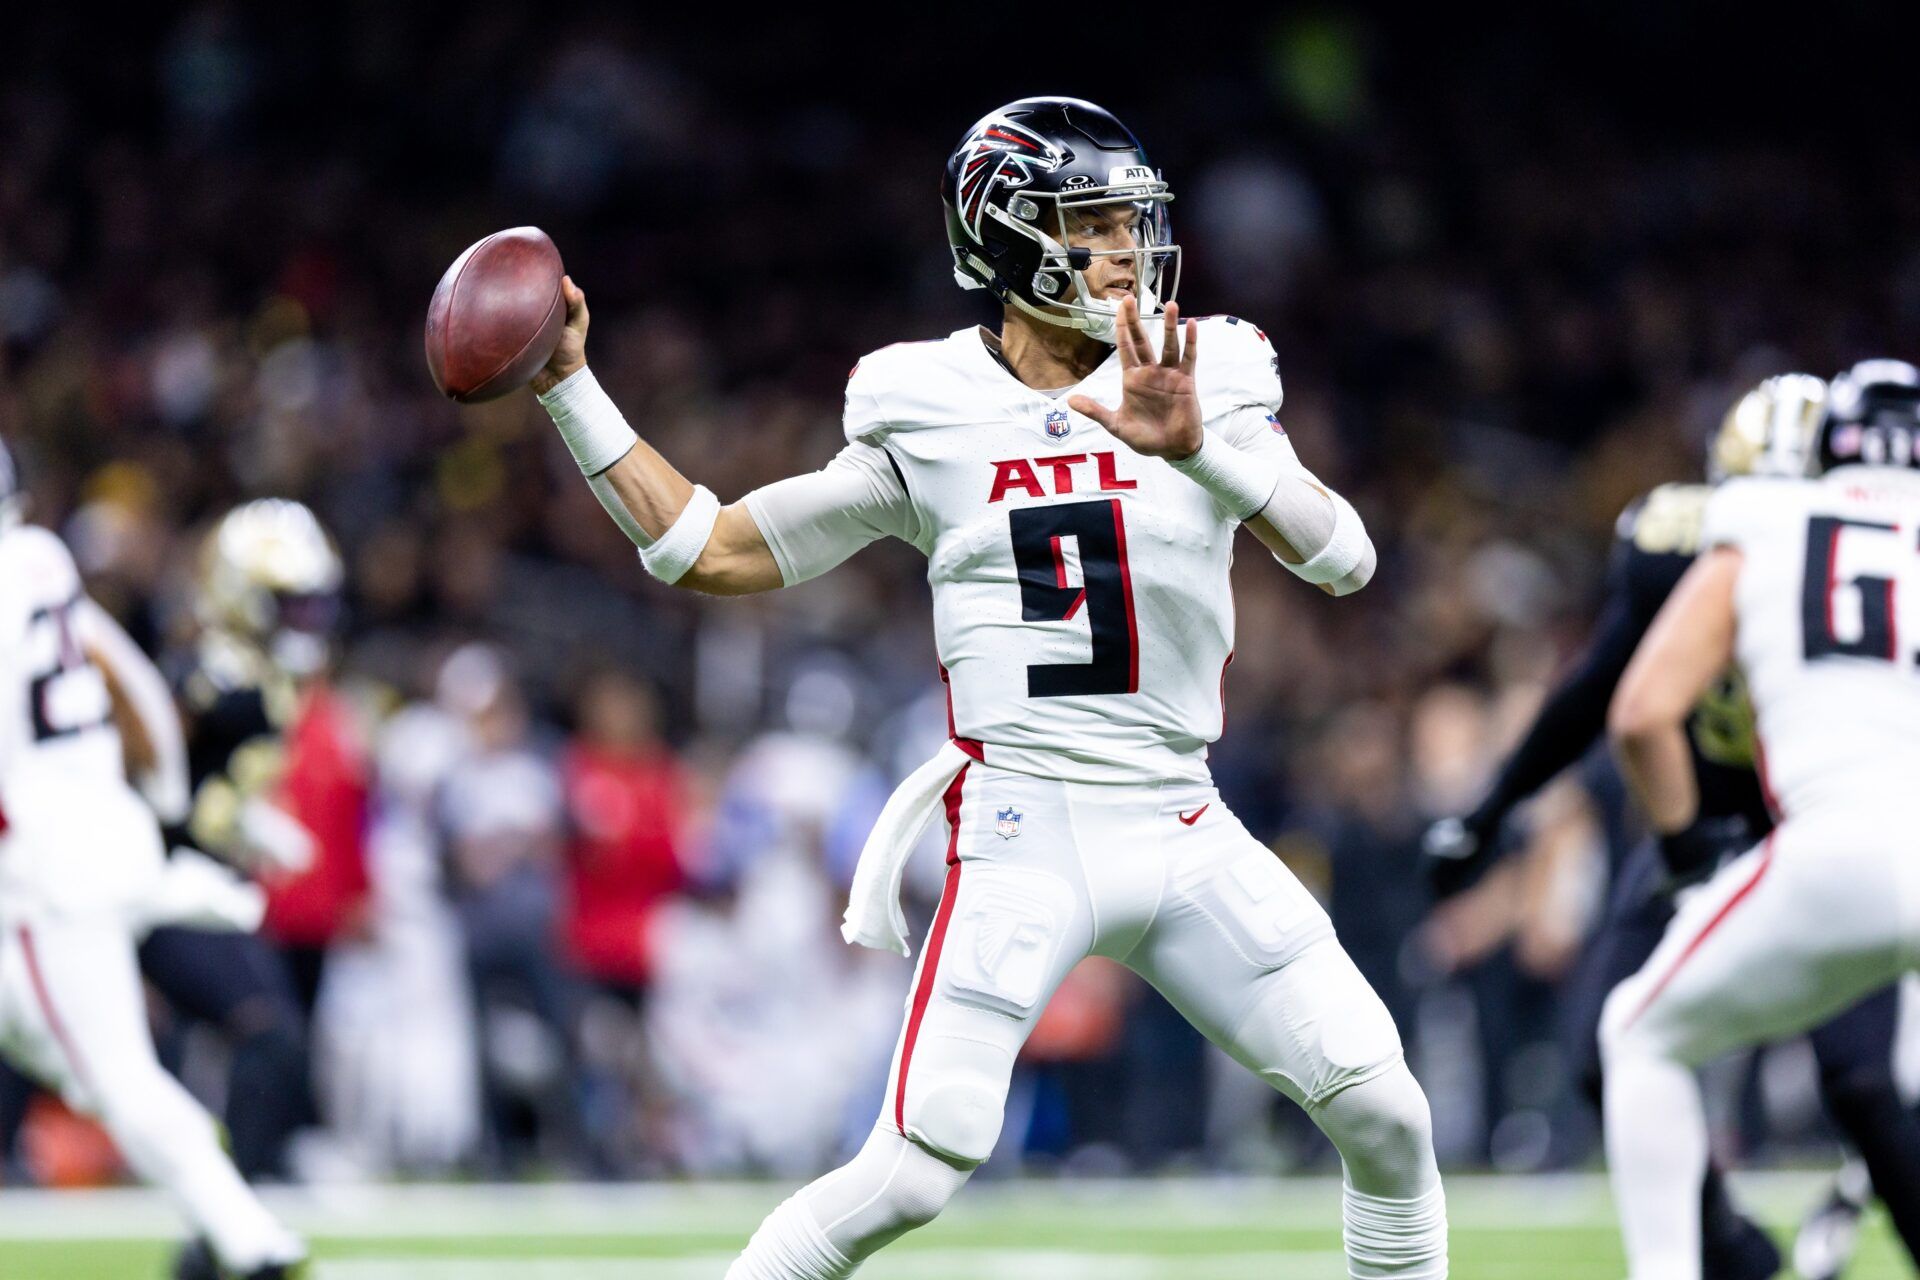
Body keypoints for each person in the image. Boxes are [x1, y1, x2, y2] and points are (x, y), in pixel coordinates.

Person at [525, 96, 1447, 1278]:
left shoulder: (1207, 368)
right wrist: (569, 388)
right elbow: (704, 547)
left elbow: (1345, 555)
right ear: (1002, 245)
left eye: (1133, 221)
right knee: (915, 1166)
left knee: (1388, 1114)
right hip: (1026, 824)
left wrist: (1196, 444)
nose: (1127, 250)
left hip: (1181, 814)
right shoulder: (930, 404)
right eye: (1092, 224)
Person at [1423, 371, 1920, 1277]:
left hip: (1801, 837)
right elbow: (1596, 688)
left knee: (1666, 1040)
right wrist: (1496, 811)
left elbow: (1632, 709)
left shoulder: (1751, 536)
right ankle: (1737, 1256)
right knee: (1623, 1057)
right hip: (1741, 826)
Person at [1601, 360, 1920, 1279]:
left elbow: (1640, 713)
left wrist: (1690, 852)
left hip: (1832, 851)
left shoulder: (1767, 523)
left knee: (1641, 1035)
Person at [0, 443, 305, 1279]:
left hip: (44, 869)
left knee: (117, 1075)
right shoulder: (42, 559)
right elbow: (131, 682)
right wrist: (166, 806)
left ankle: (250, 1242)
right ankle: (202, 1171)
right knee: (70, 1054)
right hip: (104, 836)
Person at [140, 498, 361, 1183]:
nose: (308, 619)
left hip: (202, 885)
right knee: (265, 1036)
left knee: (261, 1040)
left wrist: (240, 820)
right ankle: (231, 1201)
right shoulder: (210, 678)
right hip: (154, 885)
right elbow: (142, 766)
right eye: (291, 603)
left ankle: (229, 1203)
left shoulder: (263, 676)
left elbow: (212, 781)